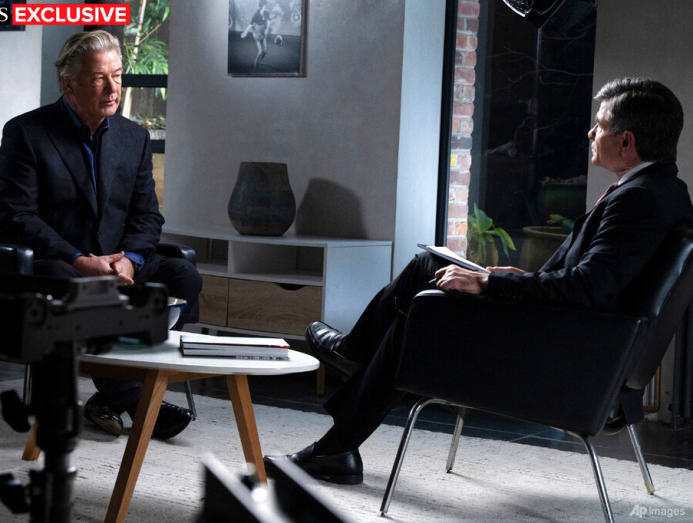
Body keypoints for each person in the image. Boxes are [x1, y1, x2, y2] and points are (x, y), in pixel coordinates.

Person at [265, 78, 693, 484]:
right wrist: (516, 278)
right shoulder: (663, 191)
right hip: (573, 338)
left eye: (598, 125)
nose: (590, 134)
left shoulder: (638, 200)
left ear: (626, 141)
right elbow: (596, 283)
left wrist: (491, 286)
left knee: (421, 315)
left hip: (561, 356)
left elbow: (588, 290)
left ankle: (339, 433)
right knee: (429, 264)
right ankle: (354, 359)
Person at [0, 31, 202, 440]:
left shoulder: (134, 137)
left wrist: (131, 260)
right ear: (68, 84)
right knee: (74, 287)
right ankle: (133, 399)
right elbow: (16, 215)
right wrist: (79, 260)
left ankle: (115, 394)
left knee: (183, 276)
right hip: (60, 264)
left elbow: (147, 215)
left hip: (119, 264)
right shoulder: (27, 132)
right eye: (98, 78)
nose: (113, 88)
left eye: (117, 75)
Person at [241, 0, 283, 70]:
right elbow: (250, 24)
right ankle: (255, 63)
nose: (265, 7)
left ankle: (259, 62)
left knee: (265, 51)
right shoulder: (256, 14)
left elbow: (268, 21)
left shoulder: (266, 12)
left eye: (265, 6)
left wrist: (267, 28)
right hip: (257, 34)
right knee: (260, 51)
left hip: (263, 33)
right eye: (264, 6)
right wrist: (245, 32)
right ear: (261, 6)